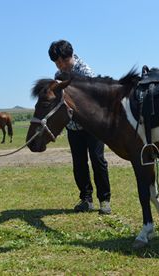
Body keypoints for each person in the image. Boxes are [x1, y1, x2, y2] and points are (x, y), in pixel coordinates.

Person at [48, 40, 112, 214]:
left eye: (62, 61)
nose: (60, 66)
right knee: (79, 163)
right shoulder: (58, 75)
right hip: (73, 127)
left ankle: (105, 201)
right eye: (56, 63)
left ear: (70, 56)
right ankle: (86, 199)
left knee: (98, 161)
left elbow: (92, 99)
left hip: (92, 126)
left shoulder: (85, 71)